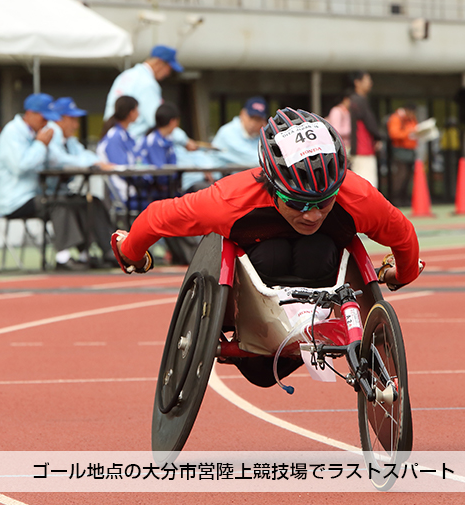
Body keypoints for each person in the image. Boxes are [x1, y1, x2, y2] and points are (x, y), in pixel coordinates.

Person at [111, 108, 423, 387]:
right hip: (252, 312)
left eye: (324, 201)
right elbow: (158, 218)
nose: (312, 214)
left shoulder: (357, 196)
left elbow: (404, 236)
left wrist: (130, 254)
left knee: (317, 251)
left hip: (322, 293)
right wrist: (400, 275)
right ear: (271, 184)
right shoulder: (231, 199)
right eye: (297, 202)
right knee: (273, 264)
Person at [0, 94, 87, 271]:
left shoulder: (36, 132)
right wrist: (40, 145)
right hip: (15, 200)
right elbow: (21, 167)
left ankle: (85, 255)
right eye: (43, 118)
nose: (46, 123)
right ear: (29, 114)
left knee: (78, 201)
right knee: (58, 204)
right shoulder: (12, 132)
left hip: (35, 194)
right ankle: (63, 258)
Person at [47, 97, 116, 265]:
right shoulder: (49, 133)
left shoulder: (68, 138)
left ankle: (109, 251)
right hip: (45, 192)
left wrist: (98, 162)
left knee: (94, 204)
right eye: (72, 119)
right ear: (60, 118)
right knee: (65, 204)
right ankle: (63, 257)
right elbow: (58, 160)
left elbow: (84, 154)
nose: (76, 125)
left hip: (63, 190)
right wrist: (91, 163)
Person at [103, 46, 194, 150]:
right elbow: (159, 120)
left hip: (112, 139)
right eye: (169, 68)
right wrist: (185, 140)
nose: (168, 74)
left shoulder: (125, 76)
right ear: (159, 63)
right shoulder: (147, 83)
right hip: (132, 145)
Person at [98, 96, 142, 210]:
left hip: (133, 190)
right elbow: (121, 169)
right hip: (122, 194)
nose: (139, 113)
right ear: (131, 113)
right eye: (137, 109)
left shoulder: (128, 135)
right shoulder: (115, 136)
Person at [211, 97, 270, 167]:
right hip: (212, 175)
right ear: (242, 113)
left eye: (258, 119)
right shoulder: (228, 132)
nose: (253, 123)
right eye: (251, 117)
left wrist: (267, 133)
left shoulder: (258, 134)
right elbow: (259, 161)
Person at [347, 72, 383, 187]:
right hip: (362, 148)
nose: (370, 83)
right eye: (367, 80)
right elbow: (370, 123)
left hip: (361, 148)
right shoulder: (358, 101)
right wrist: (378, 137)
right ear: (357, 82)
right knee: (367, 183)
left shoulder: (356, 100)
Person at [387, 107, 418, 206]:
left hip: (410, 151)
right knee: (400, 175)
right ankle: (395, 199)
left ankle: (404, 198)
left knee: (408, 176)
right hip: (400, 151)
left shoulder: (411, 119)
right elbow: (394, 133)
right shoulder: (396, 118)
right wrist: (409, 132)